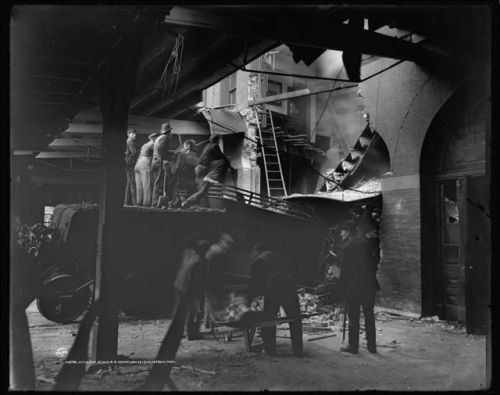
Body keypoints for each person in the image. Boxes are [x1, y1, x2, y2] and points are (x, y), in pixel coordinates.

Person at [247, 242, 303, 357]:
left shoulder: (257, 262)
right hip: (290, 291)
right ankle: (298, 351)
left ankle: (270, 350)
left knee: (269, 321)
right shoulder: (277, 256)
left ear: (255, 251)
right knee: (295, 320)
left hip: (273, 292)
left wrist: (249, 300)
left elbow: (253, 284)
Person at [338, 220, 380, 354]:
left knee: (354, 317)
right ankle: (372, 346)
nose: (340, 234)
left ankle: (353, 346)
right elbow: (373, 264)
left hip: (354, 288)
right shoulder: (365, 244)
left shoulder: (347, 247)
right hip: (369, 286)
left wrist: (342, 287)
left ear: (349, 232)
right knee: (369, 316)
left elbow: (345, 271)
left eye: (343, 231)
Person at [181, 135, 232, 208]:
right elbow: (221, 156)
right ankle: (187, 202)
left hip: (198, 168)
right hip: (203, 168)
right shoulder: (214, 146)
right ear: (217, 141)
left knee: (200, 188)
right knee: (202, 190)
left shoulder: (207, 145)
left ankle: (199, 204)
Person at [203, 233, 236, 327]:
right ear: (224, 242)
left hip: (208, 280)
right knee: (211, 302)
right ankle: (210, 322)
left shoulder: (214, 248)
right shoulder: (220, 252)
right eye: (229, 244)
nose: (230, 247)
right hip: (211, 281)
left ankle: (208, 322)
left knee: (210, 302)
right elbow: (218, 270)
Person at [152, 122, 175, 207]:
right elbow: (160, 149)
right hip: (159, 161)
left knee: (157, 182)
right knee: (158, 182)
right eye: (170, 131)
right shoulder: (165, 137)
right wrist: (165, 159)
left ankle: (155, 202)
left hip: (155, 160)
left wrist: (170, 154)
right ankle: (155, 202)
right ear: (168, 131)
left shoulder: (159, 137)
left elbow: (161, 149)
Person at [135, 133, 158, 206]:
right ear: (155, 138)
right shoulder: (153, 145)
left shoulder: (145, 144)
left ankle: (139, 201)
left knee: (139, 184)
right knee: (147, 183)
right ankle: (146, 202)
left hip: (138, 162)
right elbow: (157, 155)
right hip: (145, 162)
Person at [124, 128, 139, 206]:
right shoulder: (130, 141)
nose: (135, 135)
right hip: (130, 164)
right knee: (132, 183)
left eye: (135, 133)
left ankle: (126, 202)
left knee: (129, 183)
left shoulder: (128, 140)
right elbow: (134, 153)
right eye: (133, 133)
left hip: (127, 163)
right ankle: (135, 202)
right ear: (129, 134)